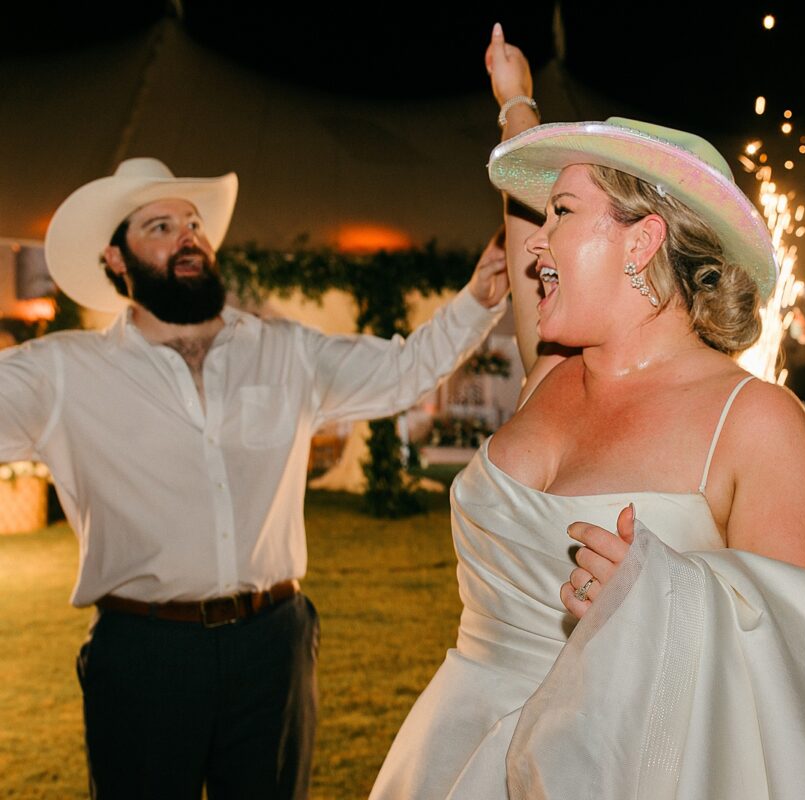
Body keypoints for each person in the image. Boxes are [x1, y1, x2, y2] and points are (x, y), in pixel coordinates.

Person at [369, 24, 805, 799]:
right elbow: (518, 212)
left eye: (563, 214)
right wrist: (516, 102)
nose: (535, 248)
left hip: (618, 767)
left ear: (641, 243)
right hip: (451, 758)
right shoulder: (553, 370)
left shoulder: (753, 422)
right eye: (541, 217)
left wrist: (664, 600)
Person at [0, 158, 508, 797]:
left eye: (194, 224)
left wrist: (479, 299)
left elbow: (407, 370)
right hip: (143, 654)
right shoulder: (63, 375)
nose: (189, 236)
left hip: (273, 645)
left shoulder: (285, 350)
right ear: (116, 258)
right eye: (161, 225)